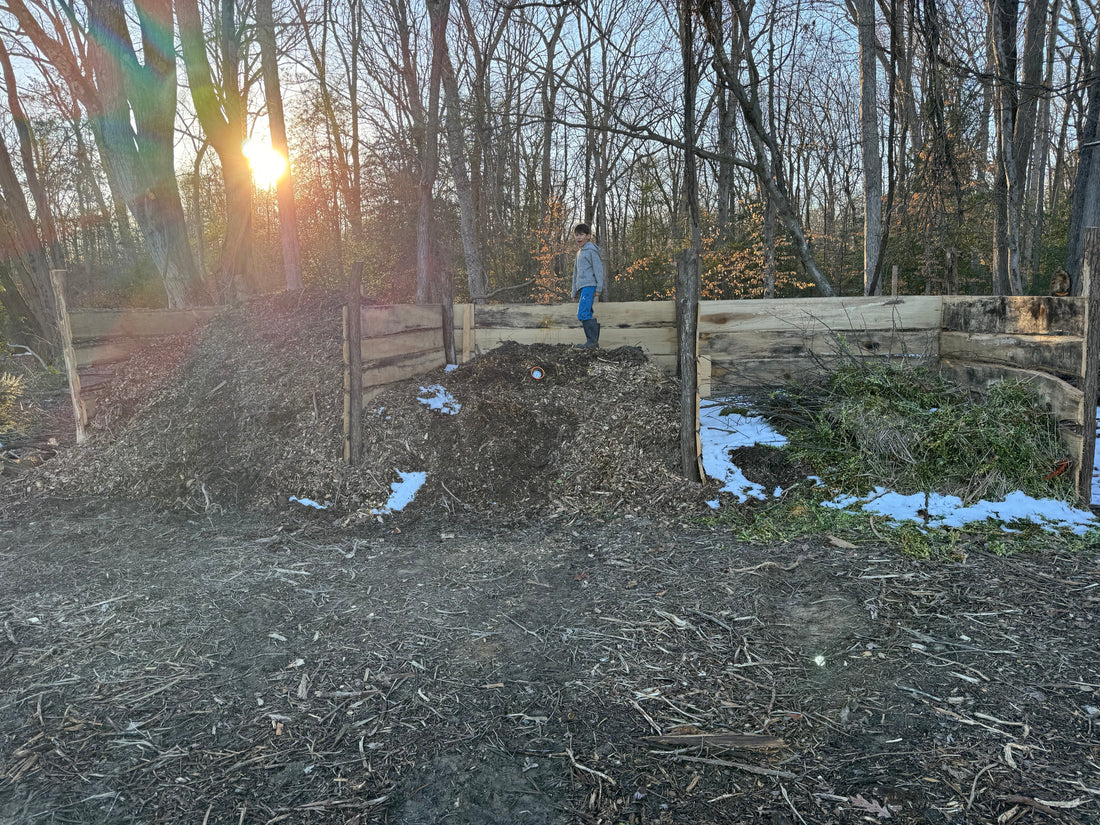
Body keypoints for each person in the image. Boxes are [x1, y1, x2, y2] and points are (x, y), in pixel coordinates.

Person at [571, 223, 604, 348]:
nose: (578, 238)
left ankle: (592, 342)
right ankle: (593, 342)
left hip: (589, 286)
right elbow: (575, 273)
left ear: (588, 236)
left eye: (581, 235)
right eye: (577, 235)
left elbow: (598, 270)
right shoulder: (579, 253)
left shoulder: (591, 251)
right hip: (581, 288)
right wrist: (573, 291)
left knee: (583, 313)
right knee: (587, 313)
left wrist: (599, 288)